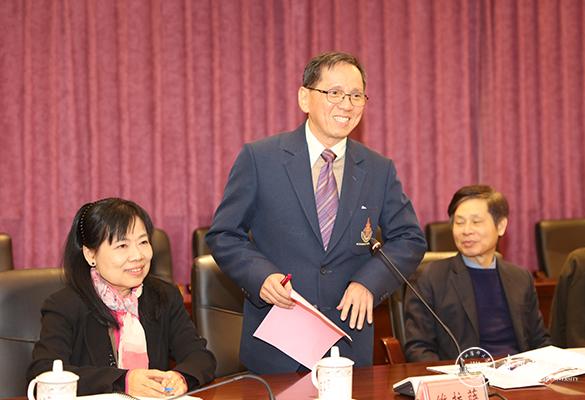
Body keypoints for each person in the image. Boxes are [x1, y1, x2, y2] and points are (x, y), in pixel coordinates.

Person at [206, 51, 427, 374]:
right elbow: (224, 234)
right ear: (304, 98)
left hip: (347, 344)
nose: (347, 104)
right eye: (334, 93)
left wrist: (369, 283)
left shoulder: (378, 169)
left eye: (356, 95)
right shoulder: (260, 158)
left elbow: (409, 240)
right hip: (278, 343)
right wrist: (260, 276)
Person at [27, 198, 216, 397]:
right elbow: (43, 372)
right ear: (91, 255)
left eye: (143, 242)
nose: (138, 256)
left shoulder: (164, 296)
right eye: (122, 245)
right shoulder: (64, 305)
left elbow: (201, 357)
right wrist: (123, 381)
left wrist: (181, 377)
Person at [404, 185, 551, 362]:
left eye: (476, 222)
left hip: (518, 373)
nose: (466, 231)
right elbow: (418, 348)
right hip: (464, 375)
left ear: (501, 226)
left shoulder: (521, 278)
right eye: (459, 222)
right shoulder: (431, 277)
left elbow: (539, 341)